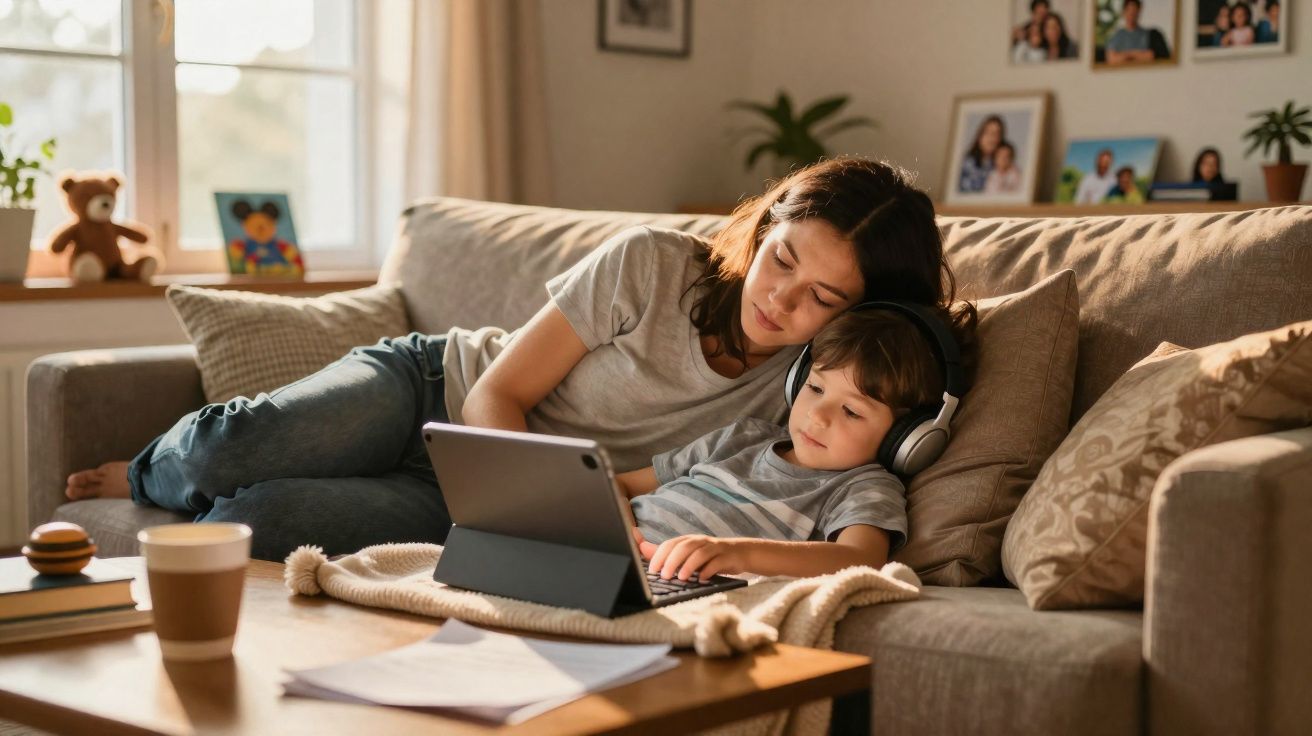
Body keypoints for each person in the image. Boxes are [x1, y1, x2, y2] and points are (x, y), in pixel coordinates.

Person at [64, 158, 973, 561]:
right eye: (783, 261)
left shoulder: (809, 394)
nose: (783, 301)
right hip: (442, 390)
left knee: (257, 522)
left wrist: (515, 519)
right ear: (766, 224)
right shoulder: (651, 263)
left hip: (488, 501)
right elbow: (503, 390)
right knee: (223, 458)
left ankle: (182, 492)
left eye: (826, 299)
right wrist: (532, 500)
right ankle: (149, 467)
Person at [619, 306, 976, 581]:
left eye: (852, 411)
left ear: (907, 436)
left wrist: (738, 554)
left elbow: (861, 559)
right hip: (614, 552)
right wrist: (619, 525)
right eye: (816, 388)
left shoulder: (862, 486)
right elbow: (619, 482)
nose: (817, 416)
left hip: (675, 578)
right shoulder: (743, 436)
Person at [959, 116, 1005, 193]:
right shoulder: (966, 163)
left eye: (996, 134)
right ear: (980, 135)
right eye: (988, 132)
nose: (992, 138)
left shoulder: (1000, 165)